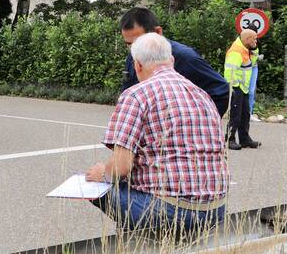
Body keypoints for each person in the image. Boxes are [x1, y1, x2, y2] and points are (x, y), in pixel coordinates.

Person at [86, 33, 229, 234]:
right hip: (216, 210)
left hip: (170, 213)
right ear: (171, 60)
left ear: (137, 66)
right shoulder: (201, 93)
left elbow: (121, 167)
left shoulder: (136, 95)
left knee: (94, 188)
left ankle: (137, 243)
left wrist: (102, 173)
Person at [119, 7, 230, 117]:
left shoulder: (186, 57)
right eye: (129, 44)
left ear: (158, 32)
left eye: (140, 41)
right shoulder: (133, 57)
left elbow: (220, 91)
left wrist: (197, 123)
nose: (134, 48)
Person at [224, 29, 261, 150]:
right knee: (235, 115)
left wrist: (254, 49)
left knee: (245, 114)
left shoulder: (246, 49)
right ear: (247, 39)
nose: (256, 41)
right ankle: (230, 139)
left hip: (243, 87)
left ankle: (245, 140)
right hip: (236, 87)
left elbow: (253, 62)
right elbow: (230, 71)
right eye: (254, 39)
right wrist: (233, 89)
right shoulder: (236, 51)